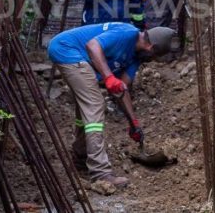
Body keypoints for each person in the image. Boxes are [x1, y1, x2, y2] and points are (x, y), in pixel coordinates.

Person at [48, 22, 176, 189]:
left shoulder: (136, 57)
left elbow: (121, 89)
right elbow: (93, 46)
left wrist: (133, 123)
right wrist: (108, 76)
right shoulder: (126, 33)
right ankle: (100, 174)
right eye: (154, 56)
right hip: (67, 48)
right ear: (151, 46)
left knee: (86, 109)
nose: (151, 60)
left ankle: (80, 157)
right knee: (94, 104)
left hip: (77, 55)